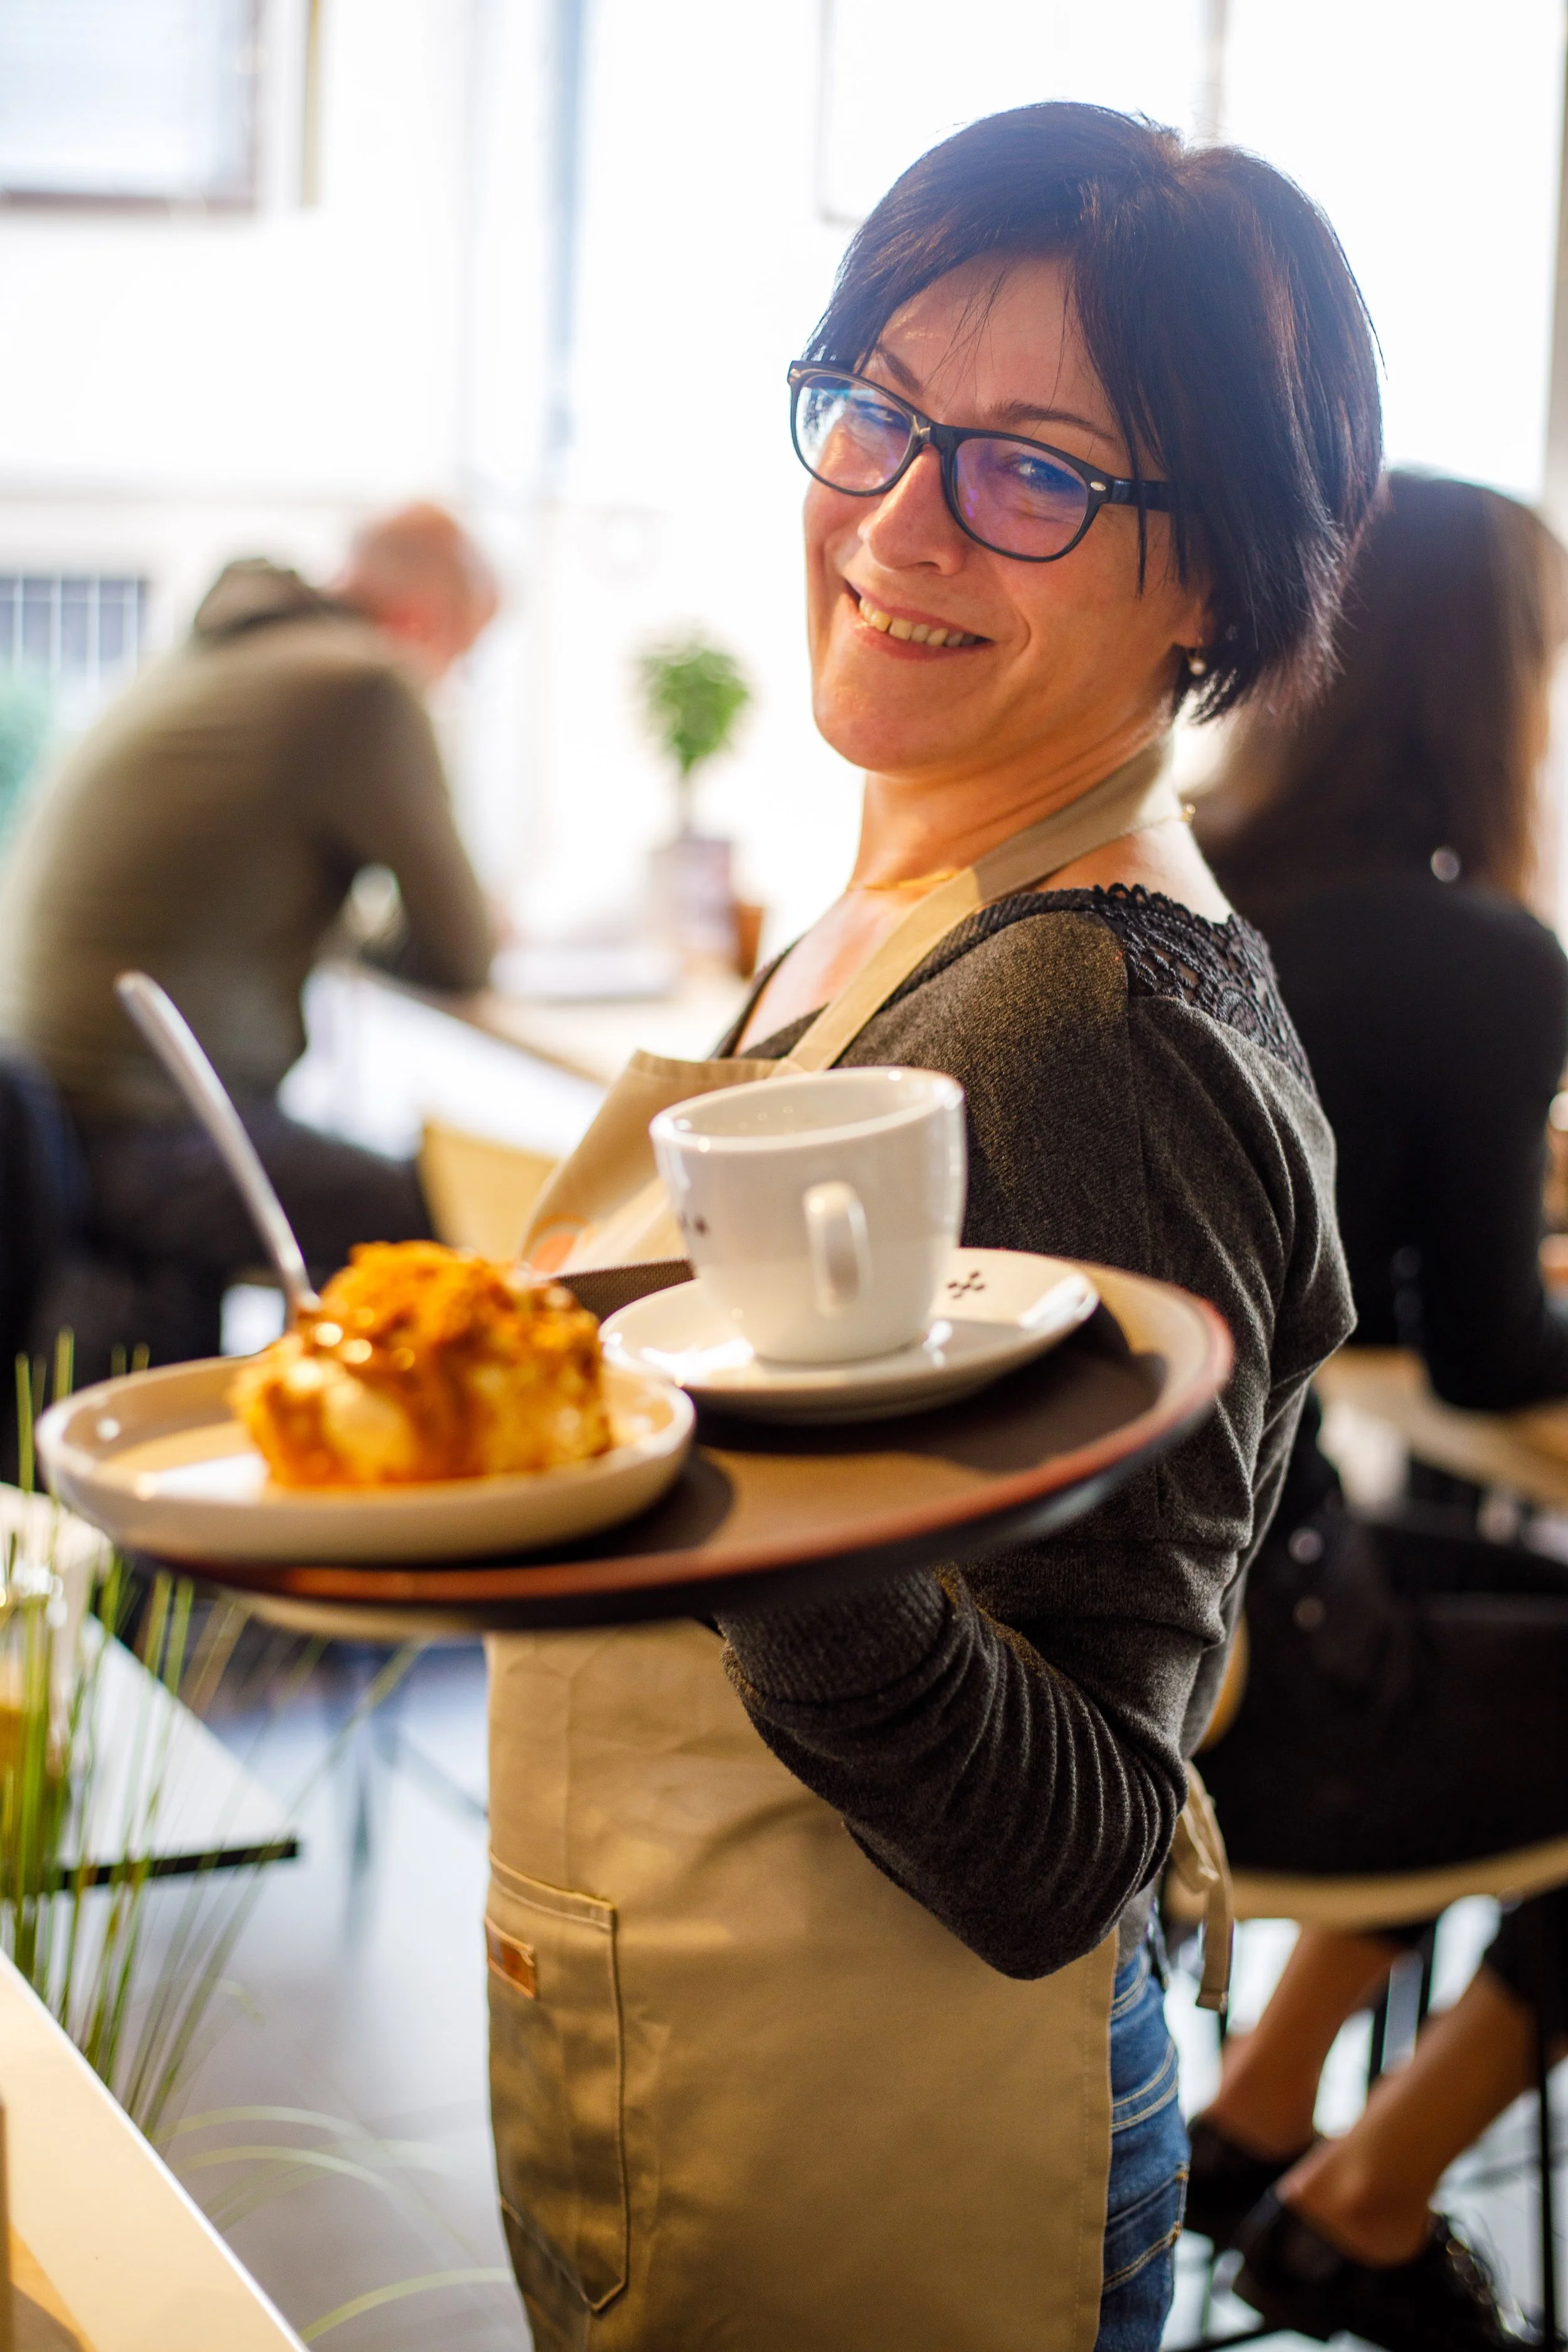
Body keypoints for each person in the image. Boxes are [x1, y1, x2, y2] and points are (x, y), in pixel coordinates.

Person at [484, 103, 1379, 2352]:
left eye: (1035, 470)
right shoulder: (908, 906)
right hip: (709, 2053)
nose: (897, 514)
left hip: (912, 2149)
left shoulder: (1088, 1012)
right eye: (876, 411)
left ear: (1216, 582)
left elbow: (1067, 1843)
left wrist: (763, 1499)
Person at [1188, 472, 1568, 2349]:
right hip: (1270, 1693)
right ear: (1498, 685)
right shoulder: (1473, 958)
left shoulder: (1179, 875)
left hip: (1163, 1663)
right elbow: (1493, 1353)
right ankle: (1373, 2192)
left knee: (1493, 1609)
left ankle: (1259, 2114)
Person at [0, 502, 499, 1374]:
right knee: (448, 1214)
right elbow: (461, 947)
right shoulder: (365, 684)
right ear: (425, 624)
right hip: (141, 1130)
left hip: (43, 1116)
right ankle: (370, 1472)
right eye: (463, 659)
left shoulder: (207, 656)